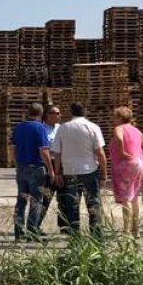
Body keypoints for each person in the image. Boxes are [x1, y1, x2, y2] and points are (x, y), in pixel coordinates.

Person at [50, 102, 108, 238]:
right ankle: (97, 236)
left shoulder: (63, 128)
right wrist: (104, 174)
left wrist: (57, 172)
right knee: (93, 204)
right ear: (85, 111)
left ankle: (75, 238)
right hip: (89, 170)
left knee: (72, 205)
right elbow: (100, 152)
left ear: (71, 112)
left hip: (70, 171)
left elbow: (57, 153)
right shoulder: (93, 127)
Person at [10, 102, 54, 241]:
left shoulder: (19, 127)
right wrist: (51, 170)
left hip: (22, 167)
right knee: (36, 201)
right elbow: (44, 151)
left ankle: (18, 232)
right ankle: (32, 231)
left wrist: (17, 163)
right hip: (36, 168)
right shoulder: (40, 128)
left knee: (21, 200)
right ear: (41, 114)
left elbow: (13, 148)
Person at [110, 106, 143, 237]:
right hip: (140, 163)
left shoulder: (119, 128)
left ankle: (126, 231)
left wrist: (122, 152)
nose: (113, 120)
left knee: (126, 197)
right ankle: (136, 230)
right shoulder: (136, 130)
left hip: (126, 164)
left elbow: (120, 138)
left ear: (120, 118)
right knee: (134, 197)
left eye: (115, 117)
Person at [37, 105, 69, 233]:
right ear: (47, 115)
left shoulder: (61, 128)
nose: (58, 115)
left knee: (64, 196)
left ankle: (64, 226)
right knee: (46, 196)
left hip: (61, 164)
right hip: (48, 163)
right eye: (55, 113)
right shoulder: (42, 129)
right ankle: (35, 224)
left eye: (59, 113)